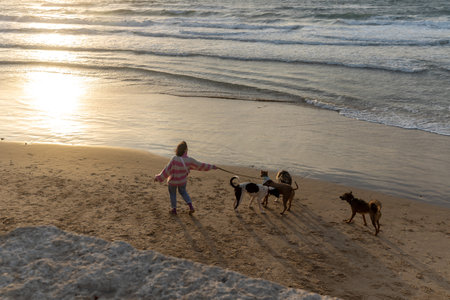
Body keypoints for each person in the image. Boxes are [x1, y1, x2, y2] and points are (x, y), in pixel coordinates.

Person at [154, 141, 217, 215]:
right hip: (182, 181)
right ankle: (191, 206)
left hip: (173, 181)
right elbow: (200, 165)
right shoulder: (190, 160)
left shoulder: (174, 159)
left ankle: (174, 209)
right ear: (186, 150)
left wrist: (158, 177)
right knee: (183, 192)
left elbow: (167, 170)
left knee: (173, 194)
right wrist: (212, 166)